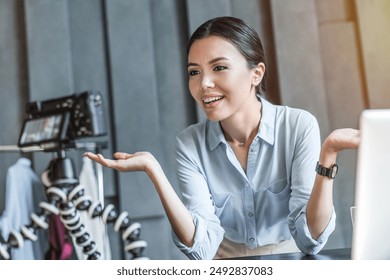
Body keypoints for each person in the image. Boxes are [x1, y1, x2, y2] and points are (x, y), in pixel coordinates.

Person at [84, 16, 360, 260]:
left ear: (256, 73)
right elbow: (202, 250)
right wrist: (154, 170)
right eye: (195, 72)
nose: (203, 84)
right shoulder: (189, 144)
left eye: (219, 68)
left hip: (288, 262)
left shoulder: (298, 126)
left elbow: (310, 239)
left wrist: (328, 156)